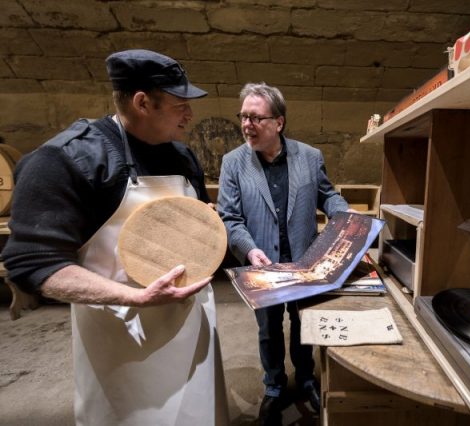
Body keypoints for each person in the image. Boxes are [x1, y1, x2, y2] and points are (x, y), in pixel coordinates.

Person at [1, 49, 228, 425]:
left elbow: (200, 219)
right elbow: (33, 264)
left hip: (191, 326)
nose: (190, 115)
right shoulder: (68, 159)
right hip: (124, 336)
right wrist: (136, 296)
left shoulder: (183, 156)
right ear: (142, 102)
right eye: (179, 105)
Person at [217, 82, 350, 424]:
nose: (247, 124)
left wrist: (345, 215)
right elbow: (229, 217)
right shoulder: (233, 163)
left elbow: (327, 195)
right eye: (244, 116)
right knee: (269, 329)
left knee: (305, 323)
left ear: (278, 122)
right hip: (262, 264)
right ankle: (274, 385)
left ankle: (306, 378)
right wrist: (249, 249)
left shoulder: (309, 156)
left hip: (306, 261)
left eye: (256, 118)